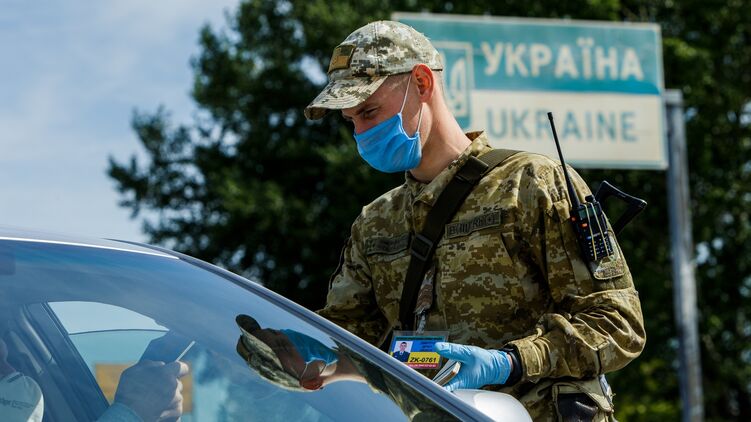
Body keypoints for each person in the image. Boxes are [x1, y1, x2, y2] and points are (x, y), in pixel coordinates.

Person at [306, 20, 646, 421]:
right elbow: (337, 345)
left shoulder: (530, 184)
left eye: (368, 111)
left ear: (421, 82)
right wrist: (275, 347)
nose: (360, 132)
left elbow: (618, 325)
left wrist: (510, 362)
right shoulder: (376, 223)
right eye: (351, 121)